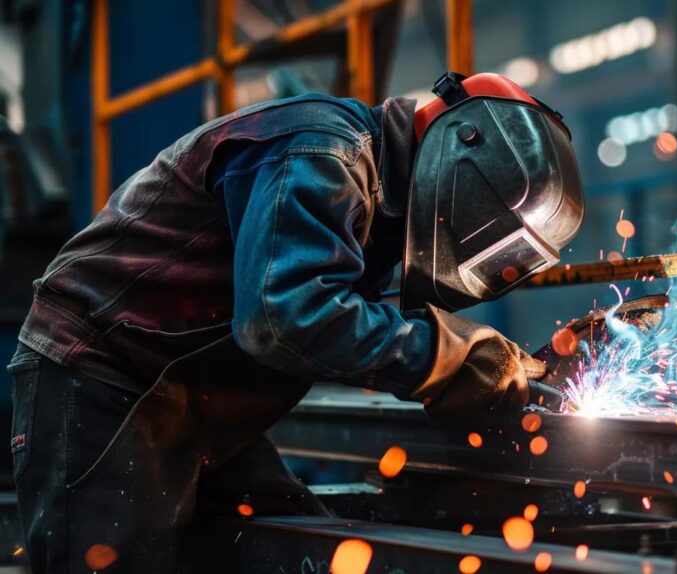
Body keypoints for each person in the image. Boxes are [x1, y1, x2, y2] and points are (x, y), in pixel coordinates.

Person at [7, 71, 583, 572]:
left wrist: (501, 369)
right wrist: (444, 358)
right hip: (105, 382)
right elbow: (284, 317)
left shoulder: (381, 204)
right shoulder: (322, 153)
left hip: (191, 402)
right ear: (464, 154)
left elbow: (357, 326)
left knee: (292, 540)